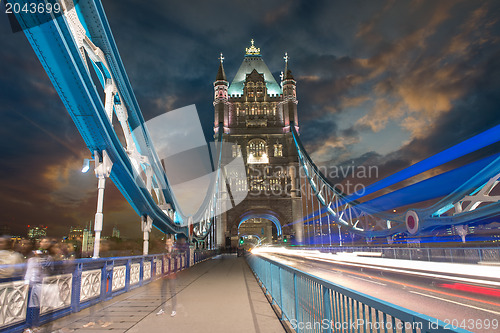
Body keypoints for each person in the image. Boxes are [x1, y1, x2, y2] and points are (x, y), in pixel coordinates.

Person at [23, 237, 55, 333]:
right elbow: (29, 270)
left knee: (36, 305)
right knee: (31, 306)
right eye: (43, 242)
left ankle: (35, 325)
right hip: (33, 283)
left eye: (47, 242)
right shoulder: (32, 258)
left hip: (42, 283)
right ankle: (29, 326)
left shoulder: (49, 257)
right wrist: (26, 283)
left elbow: (50, 270)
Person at [157, 236, 177, 317]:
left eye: (169, 242)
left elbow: (175, 259)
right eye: (167, 242)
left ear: (172, 243)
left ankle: (174, 310)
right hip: (164, 274)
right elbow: (160, 258)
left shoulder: (175, 251)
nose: (168, 243)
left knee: (172, 292)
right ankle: (162, 309)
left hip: (172, 274)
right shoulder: (163, 251)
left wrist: (170, 256)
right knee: (163, 292)